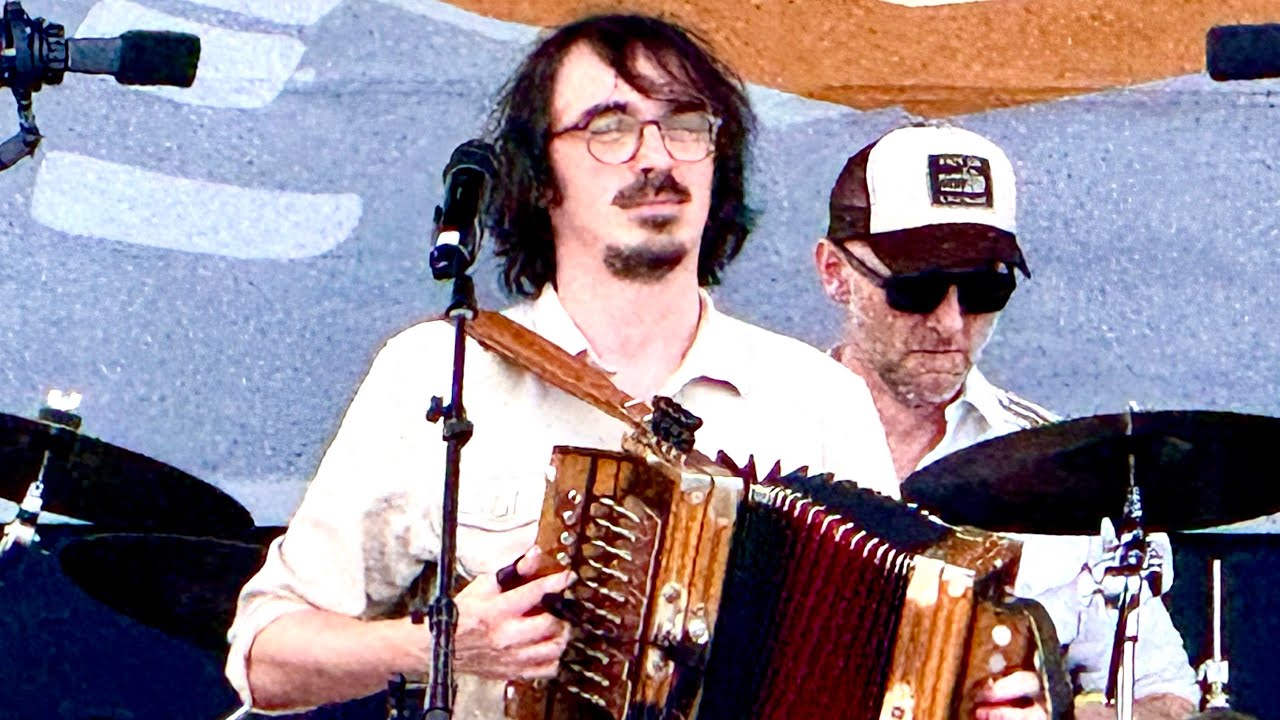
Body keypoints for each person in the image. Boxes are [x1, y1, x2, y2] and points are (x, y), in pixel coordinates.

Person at [224, 13, 906, 718]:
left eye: (685, 125)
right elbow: (264, 658)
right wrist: (439, 646)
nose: (655, 158)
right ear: (542, 178)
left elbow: (900, 670)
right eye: (609, 128)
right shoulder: (440, 372)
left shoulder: (823, 400)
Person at [813, 123, 1201, 719]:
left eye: (982, 290)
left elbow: (1162, 694)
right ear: (834, 273)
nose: (949, 323)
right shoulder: (749, 423)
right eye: (916, 290)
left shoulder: (1065, 466)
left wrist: (1064, 717)